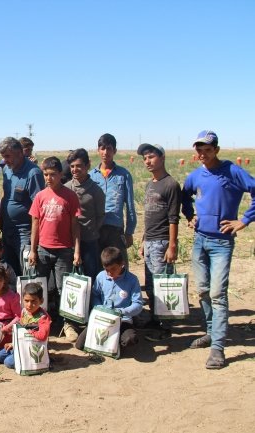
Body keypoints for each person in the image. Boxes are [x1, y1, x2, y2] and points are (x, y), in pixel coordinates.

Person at [182, 130, 255, 369]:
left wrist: (243, 220)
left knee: (218, 294)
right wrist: (190, 216)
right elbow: (185, 197)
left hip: (222, 242)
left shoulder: (232, 171)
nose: (203, 154)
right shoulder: (195, 176)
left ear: (217, 150)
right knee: (203, 290)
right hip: (200, 240)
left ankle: (218, 348)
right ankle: (211, 332)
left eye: (207, 150)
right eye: (199, 150)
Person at [27, 156, 81, 342]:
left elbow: (75, 226)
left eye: (52, 174)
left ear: (60, 175)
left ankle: (67, 324)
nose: (48, 178)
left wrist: (76, 250)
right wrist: (33, 250)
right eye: (45, 174)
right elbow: (35, 224)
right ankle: (42, 322)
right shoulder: (40, 196)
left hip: (64, 250)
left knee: (63, 289)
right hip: (42, 249)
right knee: (42, 288)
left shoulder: (70, 196)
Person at [136, 143, 181, 335]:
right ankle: (155, 319)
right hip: (150, 242)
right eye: (145, 158)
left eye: (151, 157)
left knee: (163, 286)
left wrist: (172, 245)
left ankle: (166, 326)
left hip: (162, 242)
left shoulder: (170, 184)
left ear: (162, 158)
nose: (148, 161)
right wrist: (144, 240)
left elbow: (173, 218)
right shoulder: (150, 184)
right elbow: (149, 216)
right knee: (151, 285)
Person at [74, 247, 143, 353]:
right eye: (107, 270)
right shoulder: (101, 276)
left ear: (122, 264)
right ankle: (110, 339)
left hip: (123, 320)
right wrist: (100, 308)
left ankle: (115, 337)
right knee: (80, 345)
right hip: (102, 319)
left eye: (113, 269)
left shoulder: (132, 280)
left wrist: (122, 312)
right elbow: (95, 295)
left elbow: (138, 304)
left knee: (130, 339)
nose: (110, 273)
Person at [0, 137, 44, 276]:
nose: (5, 160)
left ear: (19, 153)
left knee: (26, 273)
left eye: (7, 156)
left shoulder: (33, 173)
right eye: (3, 157)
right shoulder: (6, 169)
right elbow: (5, 197)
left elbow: (38, 208)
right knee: (10, 272)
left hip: (25, 233)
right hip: (7, 230)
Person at [90, 133, 137, 267]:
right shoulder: (91, 176)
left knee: (119, 266)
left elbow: (130, 206)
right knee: (98, 266)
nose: (106, 152)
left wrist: (129, 232)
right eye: (102, 148)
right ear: (98, 150)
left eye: (109, 148)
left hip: (115, 229)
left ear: (114, 151)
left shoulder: (123, 174)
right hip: (96, 230)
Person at [65, 148, 106, 280]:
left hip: (89, 240)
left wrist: (91, 230)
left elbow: (100, 216)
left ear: (87, 166)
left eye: (78, 166)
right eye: (72, 166)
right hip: (68, 241)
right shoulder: (66, 188)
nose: (75, 170)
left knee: (89, 276)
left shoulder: (96, 190)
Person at [0, 282, 51, 368]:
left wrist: (29, 331)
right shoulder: (24, 311)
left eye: (33, 301)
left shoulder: (43, 317)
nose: (29, 305)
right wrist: (13, 343)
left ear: (41, 301)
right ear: (22, 300)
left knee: (8, 362)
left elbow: (43, 336)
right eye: (26, 301)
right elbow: (20, 331)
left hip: (33, 349)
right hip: (21, 345)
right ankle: (17, 355)